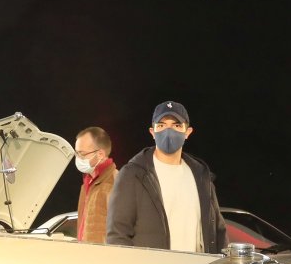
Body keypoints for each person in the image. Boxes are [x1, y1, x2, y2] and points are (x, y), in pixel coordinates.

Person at [106, 100, 228, 253]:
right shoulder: (133, 175)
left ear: (188, 132)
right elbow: (117, 233)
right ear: (152, 132)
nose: (168, 131)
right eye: (162, 125)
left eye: (176, 125)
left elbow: (218, 230)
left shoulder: (201, 176)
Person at [72, 126, 116, 244]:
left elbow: (121, 231)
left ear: (100, 154)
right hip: (86, 252)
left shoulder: (115, 182)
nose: (78, 158)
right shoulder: (88, 183)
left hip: (102, 254)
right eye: (76, 153)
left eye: (82, 154)